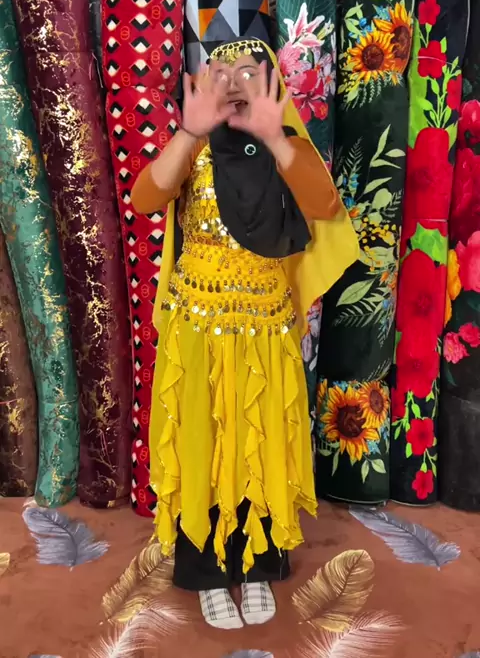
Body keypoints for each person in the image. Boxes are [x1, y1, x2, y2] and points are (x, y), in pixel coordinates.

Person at [131, 38, 358, 630]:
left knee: (261, 442)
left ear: (271, 83)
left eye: (248, 71)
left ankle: (257, 565)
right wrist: (189, 131)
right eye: (221, 69)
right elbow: (144, 198)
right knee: (204, 446)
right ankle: (206, 572)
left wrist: (276, 137)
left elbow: (324, 206)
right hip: (199, 332)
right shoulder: (195, 146)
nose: (233, 80)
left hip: (263, 332)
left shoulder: (286, 148)